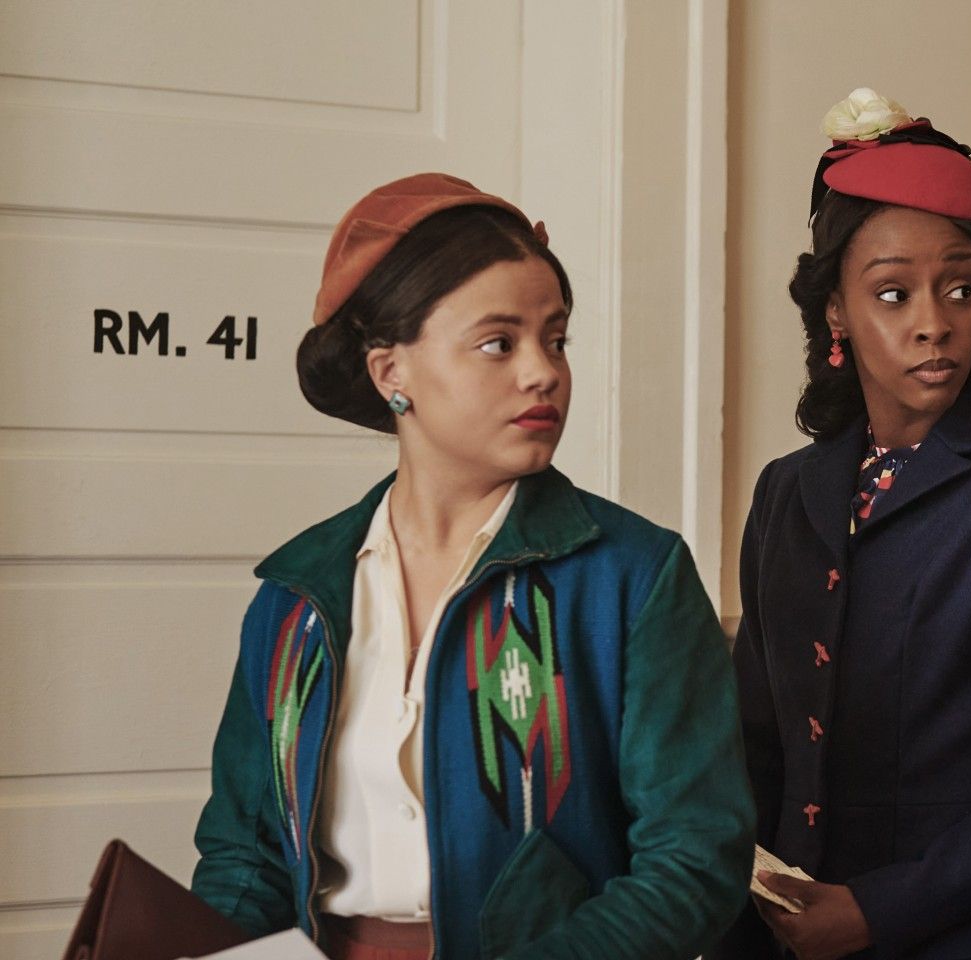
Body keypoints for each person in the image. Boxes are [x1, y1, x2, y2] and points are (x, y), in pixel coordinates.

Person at [190, 174, 754, 960]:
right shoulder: (297, 596)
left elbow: (694, 862)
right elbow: (244, 860)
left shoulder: (633, 578)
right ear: (392, 374)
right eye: (499, 342)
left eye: (555, 339)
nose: (543, 372)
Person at [718, 89, 971, 960]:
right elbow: (750, 740)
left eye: (959, 290)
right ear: (836, 313)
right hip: (773, 936)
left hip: (959, 939)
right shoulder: (785, 492)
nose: (933, 323)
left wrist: (876, 909)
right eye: (894, 294)